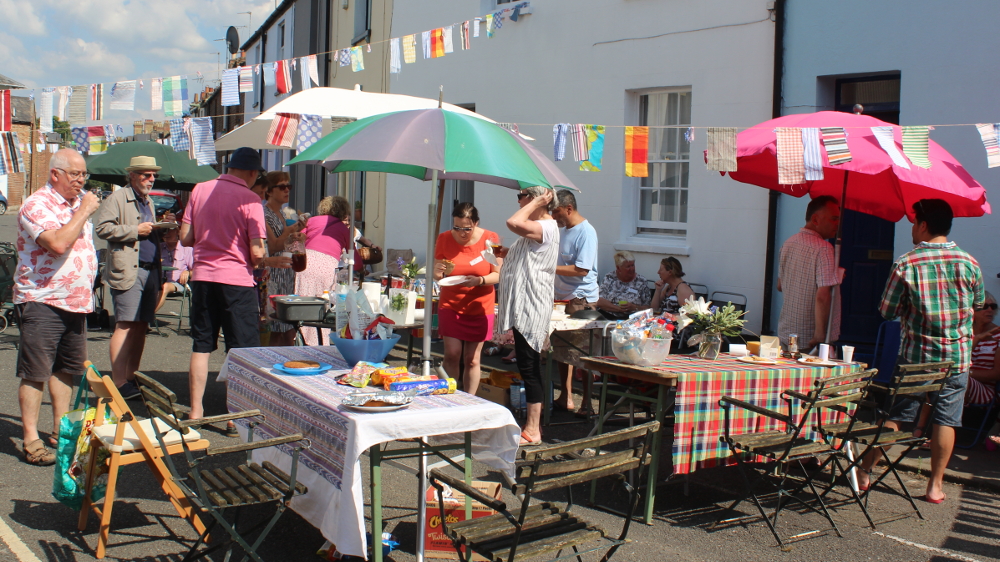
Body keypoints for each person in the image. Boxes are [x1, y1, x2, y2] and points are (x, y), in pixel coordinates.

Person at [858, 199, 984, 503]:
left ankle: (864, 470)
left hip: (917, 358)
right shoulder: (969, 262)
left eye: (914, 222)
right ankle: (935, 486)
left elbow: (887, 311)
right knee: (947, 421)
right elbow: (978, 305)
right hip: (956, 359)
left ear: (923, 225)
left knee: (898, 416)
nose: (912, 228)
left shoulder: (906, 263)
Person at [181, 148, 280, 432]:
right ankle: (235, 415)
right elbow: (257, 253)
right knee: (241, 349)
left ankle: (196, 410)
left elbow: (187, 238)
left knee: (201, 344)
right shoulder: (250, 199)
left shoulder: (200, 190)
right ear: (252, 173)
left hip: (202, 277)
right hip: (236, 281)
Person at [14, 149, 101, 465]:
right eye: (75, 174)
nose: (81, 180)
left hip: (75, 302)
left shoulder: (78, 205)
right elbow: (58, 243)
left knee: (67, 370)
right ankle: (30, 439)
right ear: (55, 174)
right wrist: (85, 211)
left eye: (83, 175)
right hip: (42, 299)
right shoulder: (37, 205)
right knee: (36, 372)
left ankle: (60, 430)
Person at [95, 156, 170, 399]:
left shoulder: (146, 200)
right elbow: (102, 228)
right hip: (129, 269)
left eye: (153, 175)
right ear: (132, 175)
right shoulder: (117, 198)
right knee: (125, 324)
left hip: (150, 270)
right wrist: (133, 231)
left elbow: (149, 232)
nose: (151, 179)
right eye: (146, 175)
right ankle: (118, 383)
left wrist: (162, 226)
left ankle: (132, 377)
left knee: (140, 326)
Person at [495, 186, 558, 445]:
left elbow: (512, 222)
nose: (519, 201)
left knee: (530, 367)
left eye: (522, 196)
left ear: (536, 199)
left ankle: (533, 429)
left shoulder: (545, 226)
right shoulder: (537, 227)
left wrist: (536, 203)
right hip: (525, 303)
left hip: (531, 304)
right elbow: (530, 254)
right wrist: (506, 253)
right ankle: (532, 427)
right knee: (526, 364)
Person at [433, 203, 501, 397]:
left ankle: (469, 399)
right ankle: (450, 396)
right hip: (451, 303)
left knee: (472, 359)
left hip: (480, 305)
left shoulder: (490, 239)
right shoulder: (444, 238)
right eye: (457, 227)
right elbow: (438, 272)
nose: (462, 233)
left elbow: (498, 274)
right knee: (452, 354)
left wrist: (479, 280)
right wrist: (438, 273)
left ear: (476, 223)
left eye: (467, 228)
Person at [548, 190, 599, 411]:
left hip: (581, 300)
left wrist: (549, 267)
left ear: (569, 208)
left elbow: (581, 269)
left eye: (556, 212)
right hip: (561, 298)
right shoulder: (563, 230)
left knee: (582, 354)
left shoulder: (586, 232)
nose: (553, 217)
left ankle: (587, 401)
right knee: (561, 350)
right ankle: (565, 395)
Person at [776, 195, 842, 351]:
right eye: (833, 219)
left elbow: (780, 285)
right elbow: (822, 295)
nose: (837, 224)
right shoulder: (824, 248)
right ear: (816, 219)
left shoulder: (788, 243)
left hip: (787, 330)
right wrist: (820, 334)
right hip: (809, 337)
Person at [294, 196, 362, 346]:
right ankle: (318, 344)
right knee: (321, 308)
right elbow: (356, 261)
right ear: (344, 211)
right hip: (327, 267)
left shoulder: (312, 221)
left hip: (306, 261)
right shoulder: (344, 229)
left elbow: (298, 239)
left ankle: (299, 340)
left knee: (301, 304)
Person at [263, 171, 301, 346]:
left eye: (289, 186)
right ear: (269, 191)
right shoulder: (265, 214)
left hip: (285, 274)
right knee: (276, 330)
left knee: (287, 328)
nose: (287, 190)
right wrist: (290, 231)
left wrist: (297, 235)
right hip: (273, 275)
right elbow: (272, 247)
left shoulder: (283, 214)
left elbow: (284, 244)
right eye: (282, 186)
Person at [967, 291, 1000, 448]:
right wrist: (976, 339)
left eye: (993, 307)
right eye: (984, 306)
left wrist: (967, 373)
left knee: (954, 378)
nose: (990, 310)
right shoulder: (963, 333)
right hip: (961, 381)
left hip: (986, 391)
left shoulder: (999, 335)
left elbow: (996, 374)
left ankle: (934, 433)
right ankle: (922, 428)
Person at [597, 251, 652, 316]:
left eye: (633, 265)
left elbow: (648, 308)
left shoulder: (641, 281)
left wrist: (634, 307)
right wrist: (619, 309)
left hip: (631, 318)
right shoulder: (610, 277)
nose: (632, 269)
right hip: (608, 315)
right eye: (628, 266)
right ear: (618, 268)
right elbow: (600, 301)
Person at [154, 225, 193, 313]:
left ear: (177, 232)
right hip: (158, 281)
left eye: (169, 230)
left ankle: (145, 319)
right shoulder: (158, 247)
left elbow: (197, 271)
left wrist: (188, 272)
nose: (166, 233)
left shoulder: (186, 249)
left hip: (177, 284)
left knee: (165, 286)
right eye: (164, 230)